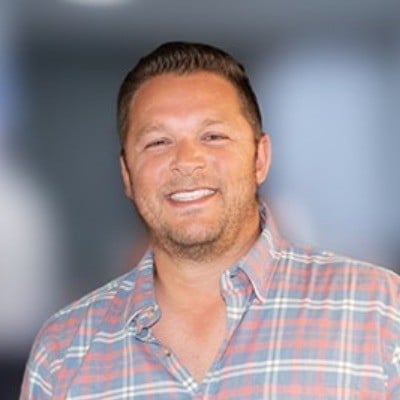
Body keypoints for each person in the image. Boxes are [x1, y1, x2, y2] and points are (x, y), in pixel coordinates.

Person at [20, 42, 400, 399]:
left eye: (214, 136)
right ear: (127, 176)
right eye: (158, 142)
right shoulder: (64, 351)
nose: (186, 161)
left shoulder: (380, 312)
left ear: (260, 159)